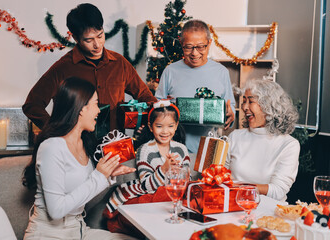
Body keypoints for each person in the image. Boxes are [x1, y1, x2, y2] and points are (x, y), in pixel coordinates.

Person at [22, 77, 137, 240]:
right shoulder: (52, 147)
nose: (99, 111)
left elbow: (82, 190)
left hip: (79, 230)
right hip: (49, 234)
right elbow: (56, 210)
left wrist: (108, 175)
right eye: (96, 103)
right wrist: (99, 176)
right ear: (81, 108)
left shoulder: (85, 142)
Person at [22, 3, 156, 130]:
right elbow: (32, 105)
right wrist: (56, 132)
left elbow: (145, 96)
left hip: (116, 146)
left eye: (100, 35)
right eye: (89, 40)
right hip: (78, 149)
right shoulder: (63, 68)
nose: (97, 44)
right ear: (76, 38)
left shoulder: (119, 63)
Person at [103, 100, 190, 238]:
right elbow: (147, 186)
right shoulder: (145, 150)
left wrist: (178, 170)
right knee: (161, 194)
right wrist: (164, 168)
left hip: (171, 199)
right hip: (149, 196)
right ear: (150, 127)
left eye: (170, 126)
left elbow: (185, 183)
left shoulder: (181, 149)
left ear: (176, 126)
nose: (165, 131)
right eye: (159, 126)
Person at [155, 19, 236, 153]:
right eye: (188, 47)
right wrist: (166, 106)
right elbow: (157, 106)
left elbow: (230, 107)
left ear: (209, 43)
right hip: (173, 149)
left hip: (208, 149)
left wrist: (230, 115)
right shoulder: (170, 71)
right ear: (181, 44)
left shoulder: (221, 72)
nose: (194, 53)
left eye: (200, 46)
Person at [225, 79, 300, 201]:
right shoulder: (235, 136)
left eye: (250, 101)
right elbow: (220, 175)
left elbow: (277, 191)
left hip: (269, 213)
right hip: (233, 205)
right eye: (244, 101)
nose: (244, 107)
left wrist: (238, 187)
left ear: (268, 106)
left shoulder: (289, 145)